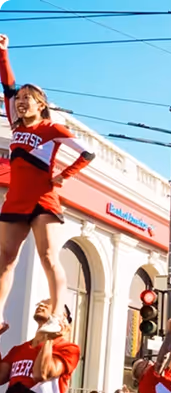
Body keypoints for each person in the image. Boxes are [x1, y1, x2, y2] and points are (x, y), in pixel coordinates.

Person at [0, 35, 95, 337]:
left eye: (28, 98)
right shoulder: (16, 126)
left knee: (48, 256)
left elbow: (87, 152)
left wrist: (65, 175)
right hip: (15, 199)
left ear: (41, 105)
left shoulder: (52, 128)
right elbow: (8, 86)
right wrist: (3, 52)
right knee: (4, 258)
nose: (20, 101)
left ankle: (56, 313)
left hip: (43, 198)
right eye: (19, 99)